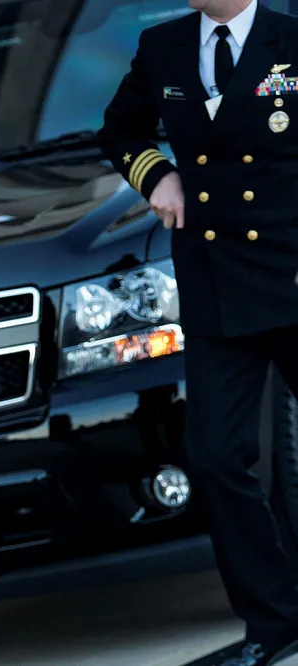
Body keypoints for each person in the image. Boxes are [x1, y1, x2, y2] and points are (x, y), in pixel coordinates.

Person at [99, 1, 298, 664]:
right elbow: (120, 130)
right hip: (216, 286)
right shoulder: (164, 47)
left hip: (292, 271)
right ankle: (274, 620)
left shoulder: (290, 40)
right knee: (215, 456)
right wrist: (157, 175)